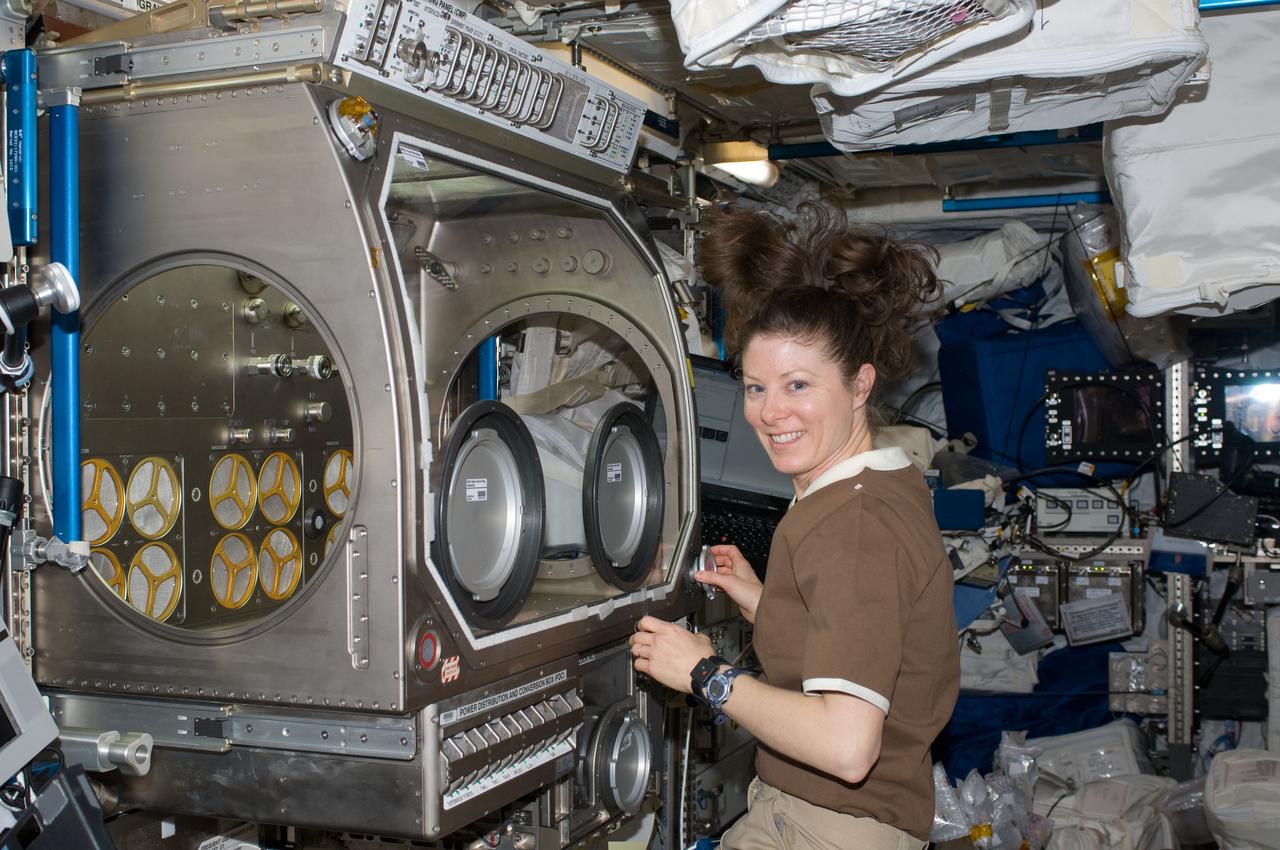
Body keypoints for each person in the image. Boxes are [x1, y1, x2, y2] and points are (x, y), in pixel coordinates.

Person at [630, 205, 960, 849]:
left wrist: (704, 672)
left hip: (827, 830)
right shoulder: (880, 482)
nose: (770, 412)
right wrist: (766, 600)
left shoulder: (854, 525)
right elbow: (863, 631)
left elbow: (846, 748)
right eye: (755, 388)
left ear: (860, 385)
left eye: (798, 385)